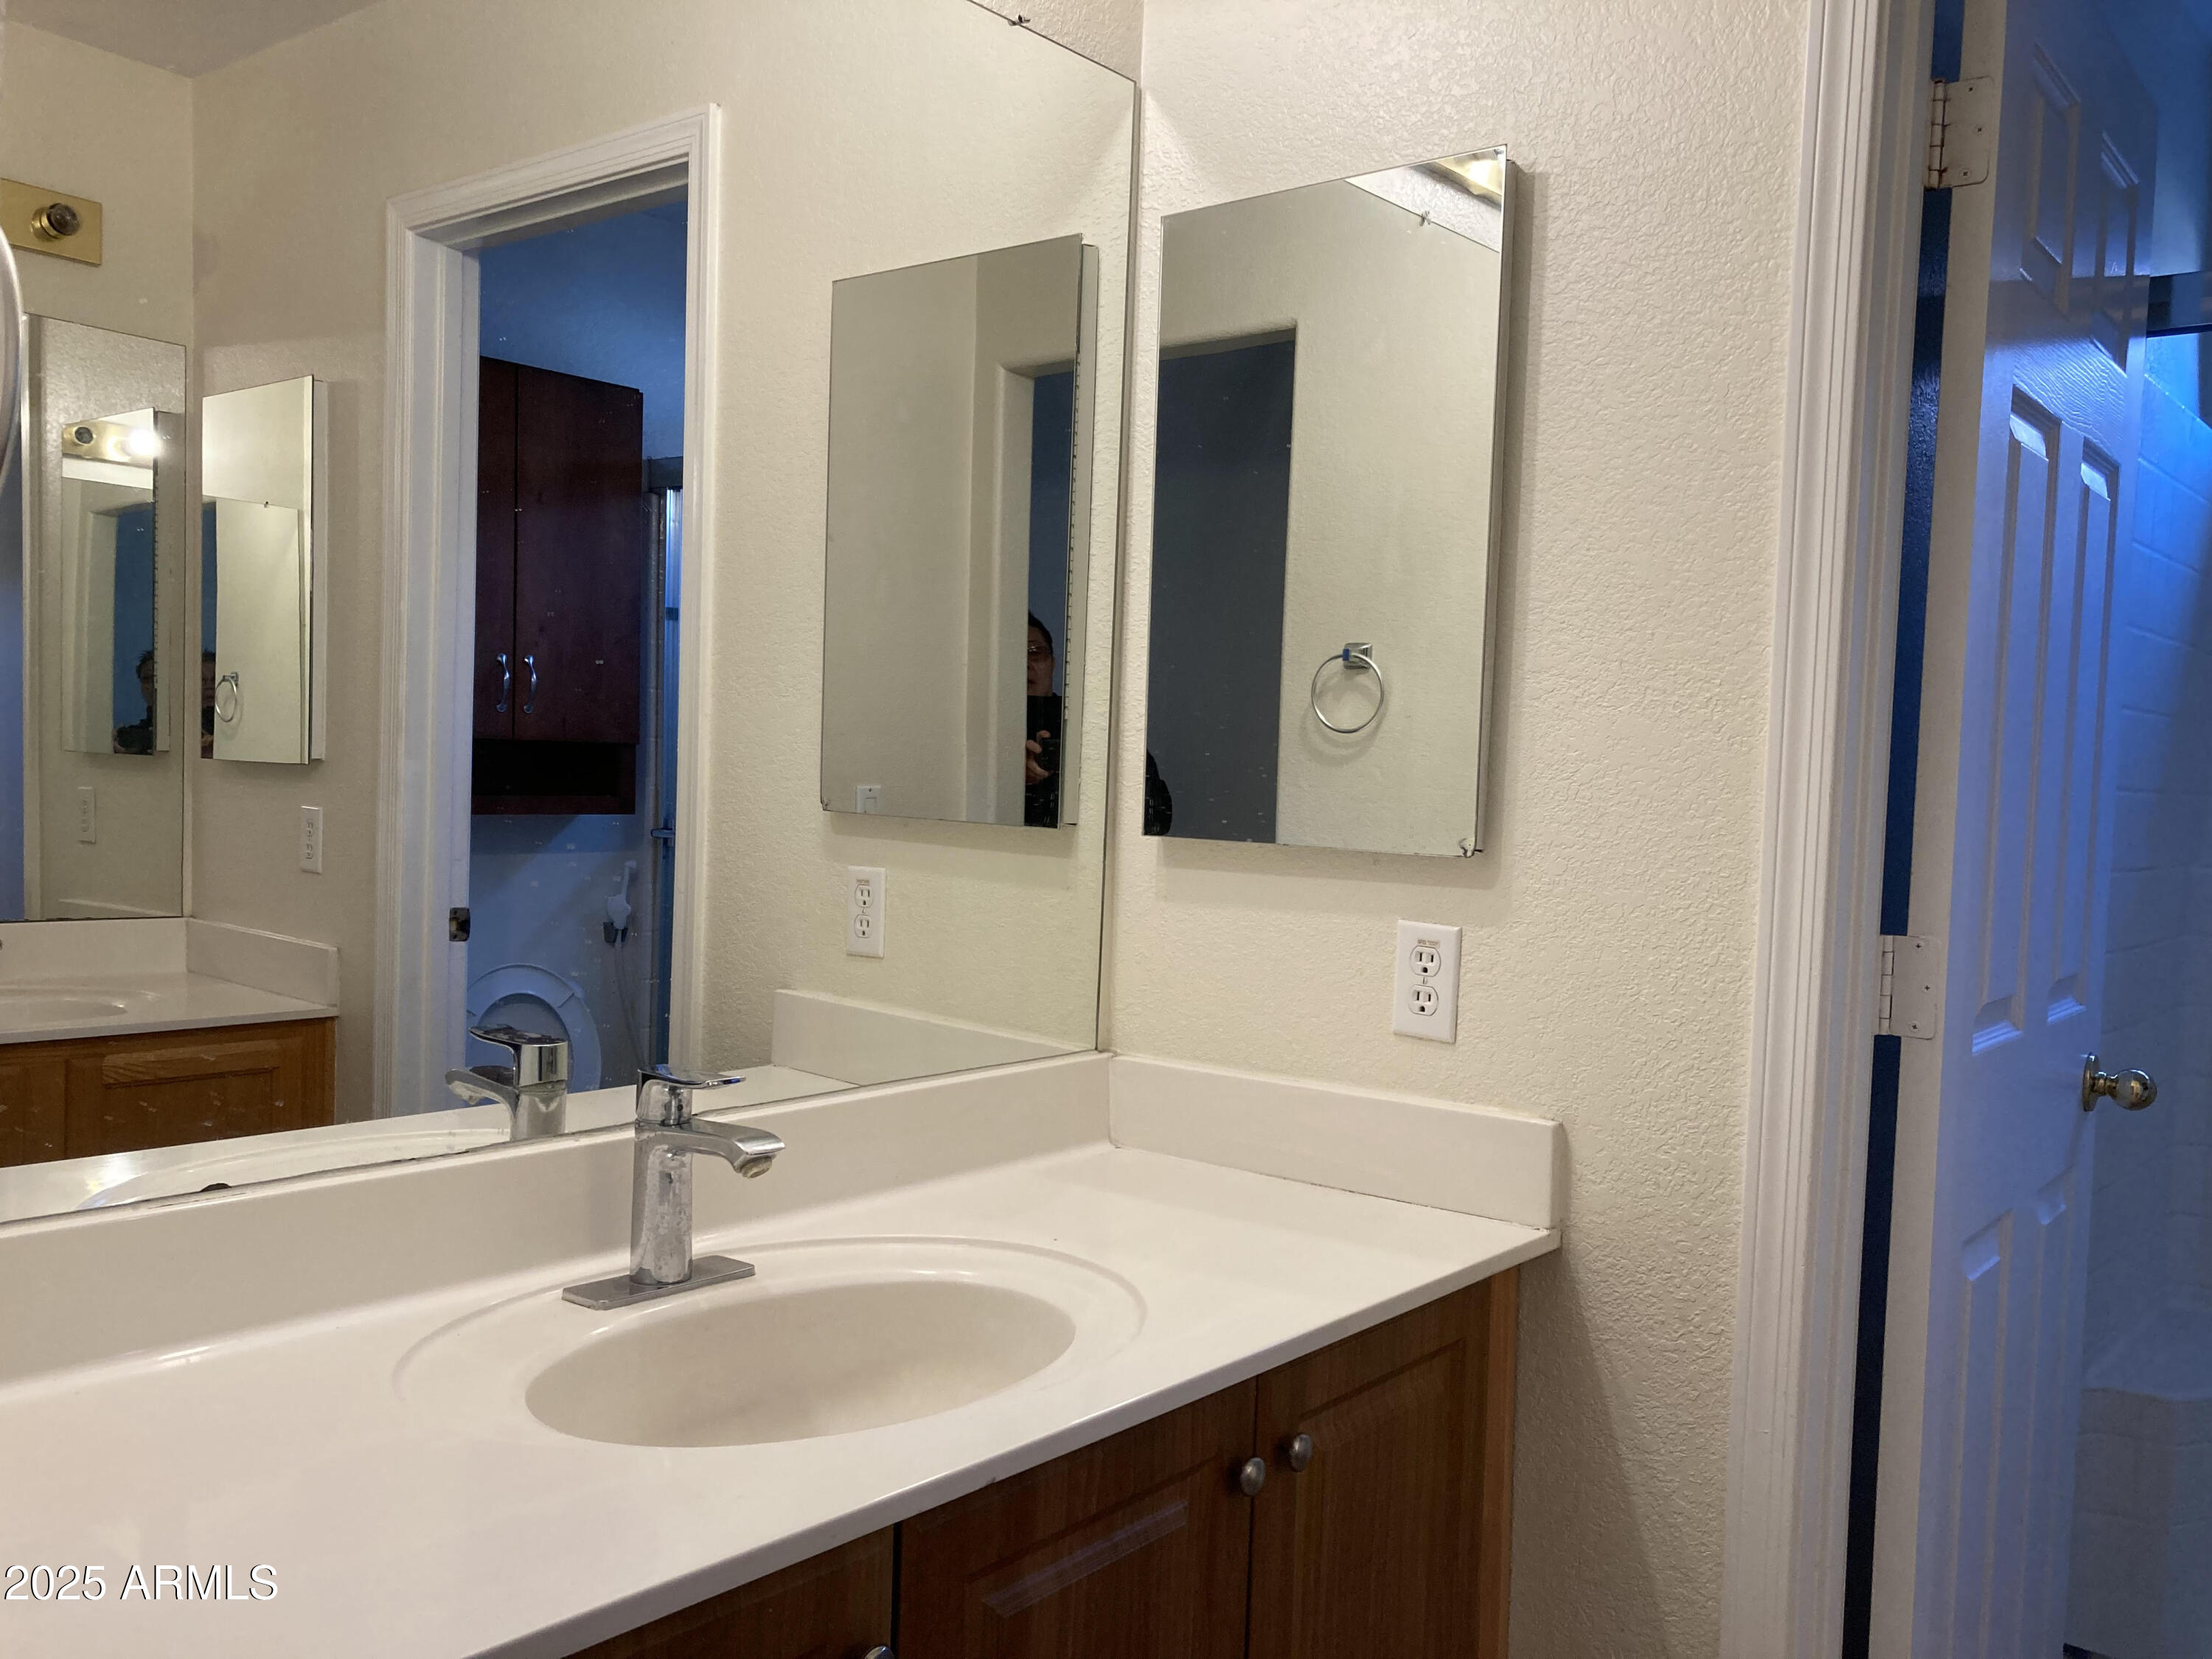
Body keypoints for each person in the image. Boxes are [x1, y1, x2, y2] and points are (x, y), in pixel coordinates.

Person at [1024, 613, 1062, 827]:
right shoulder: (974, 728)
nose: (1025, 663)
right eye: (1010, 653)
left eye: (1035, 652)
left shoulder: (1084, 725)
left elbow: (1153, 821)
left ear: (1053, 663)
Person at [112, 650, 158, 755]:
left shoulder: (195, 727)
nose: (153, 684)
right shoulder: (138, 731)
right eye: (146, 679)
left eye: (156, 678)